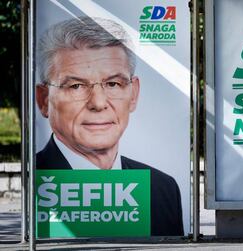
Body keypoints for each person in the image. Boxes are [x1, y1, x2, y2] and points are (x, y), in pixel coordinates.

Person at [35, 17, 183, 236]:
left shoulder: (163, 187)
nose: (98, 103)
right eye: (76, 86)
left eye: (113, 84)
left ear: (133, 95)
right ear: (44, 100)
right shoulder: (34, 176)